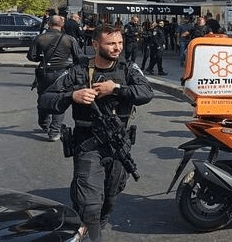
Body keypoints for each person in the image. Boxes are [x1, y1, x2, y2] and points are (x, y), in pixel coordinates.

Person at [38, 24, 153, 241]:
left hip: (119, 146)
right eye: (111, 43)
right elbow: (45, 99)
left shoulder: (128, 69)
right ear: (95, 44)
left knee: (109, 198)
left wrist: (116, 89)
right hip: (88, 143)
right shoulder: (78, 70)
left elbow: (147, 92)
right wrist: (72, 96)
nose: (117, 47)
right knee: (89, 204)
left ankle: (94, 226)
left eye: (120, 42)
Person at [27, 15, 83, 141]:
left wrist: (44, 59)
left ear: (48, 24)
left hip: (44, 72)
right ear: (61, 25)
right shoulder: (69, 39)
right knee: (60, 100)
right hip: (63, 73)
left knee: (43, 97)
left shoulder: (40, 38)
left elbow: (31, 57)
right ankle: (54, 131)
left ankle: (44, 123)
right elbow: (79, 57)